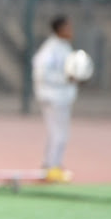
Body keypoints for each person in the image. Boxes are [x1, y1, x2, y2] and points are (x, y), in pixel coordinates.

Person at [32, 15, 78, 183]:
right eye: (67, 27)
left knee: (62, 134)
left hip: (63, 97)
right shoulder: (50, 49)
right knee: (57, 133)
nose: (71, 31)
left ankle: (55, 165)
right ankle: (50, 167)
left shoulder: (65, 47)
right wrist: (66, 78)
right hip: (52, 97)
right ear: (59, 29)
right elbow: (41, 73)